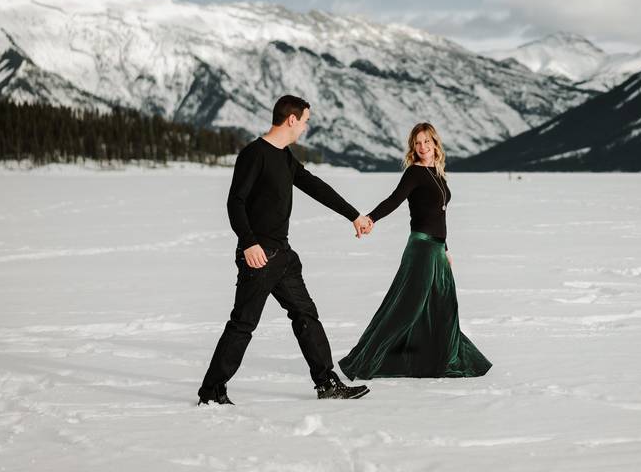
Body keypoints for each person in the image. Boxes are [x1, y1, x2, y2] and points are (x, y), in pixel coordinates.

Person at [198, 95, 374, 404]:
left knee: (306, 314)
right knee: (243, 324)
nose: (306, 127)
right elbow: (235, 202)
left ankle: (326, 383)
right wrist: (248, 242)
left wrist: (354, 215)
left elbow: (315, 186)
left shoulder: (284, 156)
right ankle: (211, 391)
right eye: (305, 120)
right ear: (291, 119)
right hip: (260, 255)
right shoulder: (255, 154)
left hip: (283, 255)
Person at [338, 122, 491, 379]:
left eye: (426, 142)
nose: (422, 147)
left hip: (437, 249)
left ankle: (438, 359)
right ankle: (367, 359)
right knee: (405, 308)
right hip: (420, 248)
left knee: (442, 307)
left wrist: (446, 247)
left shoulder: (438, 174)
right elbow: (393, 200)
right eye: (417, 143)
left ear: (435, 143)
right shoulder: (414, 173)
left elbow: (439, 216)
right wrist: (370, 218)